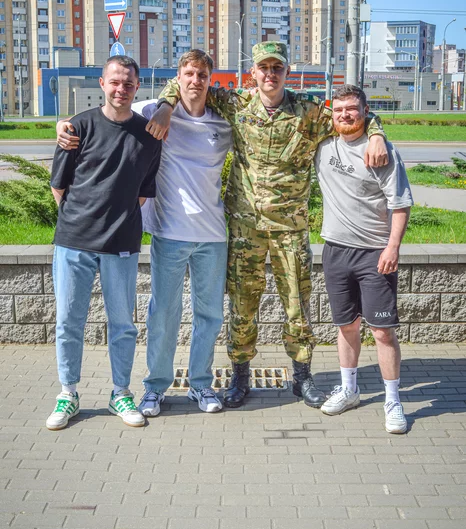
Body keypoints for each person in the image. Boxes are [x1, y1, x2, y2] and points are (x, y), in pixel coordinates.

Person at [147, 42, 388, 409]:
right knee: (242, 306)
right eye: (264, 67)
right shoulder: (236, 103)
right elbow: (185, 83)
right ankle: (240, 377)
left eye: (277, 68)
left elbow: (353, 116)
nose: (270, 74)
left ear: (287, 72)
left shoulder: (308, 111)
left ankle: (302, 377)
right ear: (253, 74)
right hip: (246, 229)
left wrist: (377, 134)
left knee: (297, 304)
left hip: (290, 228)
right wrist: (165, 107)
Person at [57, 50, 230, 417]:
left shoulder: (224, 122)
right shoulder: (153, 111)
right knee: (163, 314)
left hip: (213, 233)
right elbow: (107, 113)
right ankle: (154, 388)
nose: (195, 81)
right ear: (177, 79)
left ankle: (201, 384)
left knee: (210, 315)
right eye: (188, 74)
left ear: (210, 80)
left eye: (202, 75)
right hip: (169, 231)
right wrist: (63, 124)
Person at [46, 56, 161, 430]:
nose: (120, 89)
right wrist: (83, 219)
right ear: (102, 83)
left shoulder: (148, 136)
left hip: (122, 244)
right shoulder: (77, 127)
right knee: (69, 321)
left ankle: (120, 393)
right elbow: (59, 186)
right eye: (114, 81)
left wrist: (114, 219)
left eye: (128, 83)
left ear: (137, 86)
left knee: (123, 324)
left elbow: (142, 192)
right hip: (73, 242)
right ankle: (68, 393)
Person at [315, 84, 413, 433]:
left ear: (365, 112)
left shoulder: (382, 152)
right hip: (335, 250)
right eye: (339, 109)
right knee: (346, 326)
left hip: (374, 253)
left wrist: (392, 247)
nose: (345, 115)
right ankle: (350, 390)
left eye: (352, 109)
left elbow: (400, 204)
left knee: (382, 332)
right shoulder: (323, 145)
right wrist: (376, 129)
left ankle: (393, 400)